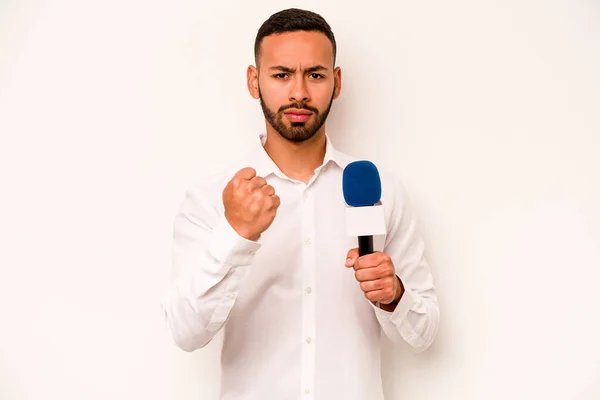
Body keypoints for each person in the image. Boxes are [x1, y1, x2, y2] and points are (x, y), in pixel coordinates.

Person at [162, 8, 440, 400]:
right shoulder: (210, 199)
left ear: (336, 81)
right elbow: (186, 332)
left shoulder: (380, 191)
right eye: (281, 75)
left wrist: (393, 294)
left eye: (315, 74)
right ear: (254, 81)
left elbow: (424, 333)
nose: (299, 93)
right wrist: (236, 233)